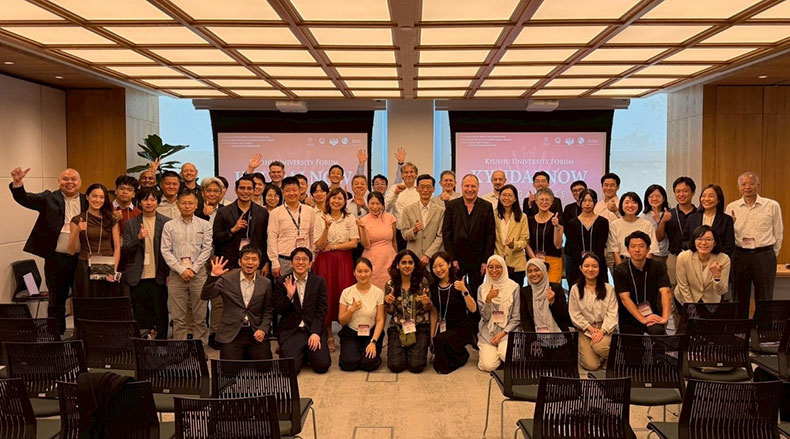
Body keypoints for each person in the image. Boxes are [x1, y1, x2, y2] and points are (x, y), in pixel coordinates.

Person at [9, 166, 86, 333]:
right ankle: (56, 337)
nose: (69, 182)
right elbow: (25, 199)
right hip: (56, 258)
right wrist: (18, 183)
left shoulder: (87, 200)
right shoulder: (48, 198)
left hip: (82, 259)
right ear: (58, 182)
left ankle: (82, 336)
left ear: (80, 182)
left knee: (82, 299)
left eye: (73, 179)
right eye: (65, 179)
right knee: (56, 300)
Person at [212, 175, 269, 348]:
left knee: (252, 299)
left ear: (254, 190)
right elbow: (216, 238)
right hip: (228, 262)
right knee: (222, 301)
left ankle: (251, 331)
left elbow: (265, 240)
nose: (245, 191)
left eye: (249, 188)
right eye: (242, 188)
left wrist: (265, 262)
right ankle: (217, 333)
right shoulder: (224, 212)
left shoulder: (262, 212)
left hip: (253, 262)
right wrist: (233, 230)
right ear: (236, 190)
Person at [725, 171, 783, 318]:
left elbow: (778, 232)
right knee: (739, 296)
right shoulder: (732, 207)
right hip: (740, 255)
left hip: (764, 254)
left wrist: (771, 254)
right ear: (738, 187)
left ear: (758, 185)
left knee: (764, 297)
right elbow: (728, 233)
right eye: (743, 184)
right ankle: (740, 328)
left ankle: (763, 328)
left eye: (751, 183)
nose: (747, 187)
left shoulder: (771, 205)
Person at [161, 189, 213, 344]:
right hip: (176, 275)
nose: (187, 206)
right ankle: (180, 349)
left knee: (200, 317)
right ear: (178, 205)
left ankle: (200, 349)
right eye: (183, 203)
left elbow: (207, 249)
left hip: (199, 274)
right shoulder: (169, 226)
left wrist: (194, 269)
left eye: (190, 203)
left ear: (196, 205)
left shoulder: (205, 225)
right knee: (178, 318)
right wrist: (181, 270)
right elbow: (165, 250)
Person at [202, 248, 273, 360]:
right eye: (246, 259)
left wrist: (263, 329)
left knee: (265, 366)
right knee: (229, 368)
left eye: (254, 259)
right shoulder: (227, 279)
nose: (250, 262)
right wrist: (213, 276)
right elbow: (206, 295)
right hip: (231, 332)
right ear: (240, 262)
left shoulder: (265, 283)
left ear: (259, 263)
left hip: (255, 331)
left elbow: (268, 309)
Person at [442, 174, 496, 319]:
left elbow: (490, 236)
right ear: (461, 187)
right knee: (457, 293)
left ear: (478, 188)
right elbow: (446, 234)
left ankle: (476, 324)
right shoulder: (452, 205)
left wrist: (485, 261)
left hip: (478, 261)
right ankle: (460, 323)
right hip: (457, 260)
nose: (470, 189)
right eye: (467, 186)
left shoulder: (486, 206)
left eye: (473, 186)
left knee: (476, 293)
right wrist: (452, 259)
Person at [313, 187, 359, 352]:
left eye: (340, 198)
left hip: (344, 260)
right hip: (325, 262)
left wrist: (333, 247)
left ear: (344, 201)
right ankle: (329, 335)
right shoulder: (320, 217)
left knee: (344, 293)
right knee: (327, 296)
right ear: (328, 200)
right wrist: (326, 227)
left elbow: (354, 243)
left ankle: (346, 334)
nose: (336, 201)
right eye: (333, 198)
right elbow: (319, 245)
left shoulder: (350, 218)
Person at [272, 247, 332, 374]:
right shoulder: (283, 281)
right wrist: (289, 296)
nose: (300, 262)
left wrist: (316, 332)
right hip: (292, 331)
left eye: (304, 259)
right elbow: (279, 310)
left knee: (322, 366)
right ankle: (298, 351)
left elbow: (321, 310)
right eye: (297, 259)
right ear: (291, 263)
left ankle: (305, 353)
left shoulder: (319, 282)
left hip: (312, 329)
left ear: (310, 264)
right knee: (289, 370)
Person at [122, 188, 170, 338]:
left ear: (158, 202)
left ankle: (161, 342)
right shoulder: (131, 224)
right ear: (139, 202)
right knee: (140, 313)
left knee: (161, 312)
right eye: (145, 199)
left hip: (159, 275)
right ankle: (143, 342)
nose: (149, 203)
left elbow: (170, 250)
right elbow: (126, 250)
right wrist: (137, 238)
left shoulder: (167, 223)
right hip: (138, 275)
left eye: (153, 199)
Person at [68, 183, 122, 297]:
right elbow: (71, 251)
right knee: (86, 301)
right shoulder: (77, 219)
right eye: (94, 196)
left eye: (102, 197)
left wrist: (113, 270)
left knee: (104, 302)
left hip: (106, 264)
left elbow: (117, 247)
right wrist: (77, 230)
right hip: (85, 264)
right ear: (87, 197)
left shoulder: (111, 219)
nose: (98, 200)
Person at [613, 231, 672, 335]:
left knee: (658, 331)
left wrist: (665, 318)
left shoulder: (658, 266)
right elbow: (624, 298)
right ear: (628, 250)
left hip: (652, 314)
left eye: (641, 246)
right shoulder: (620, 270)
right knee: (631, 343)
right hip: (629, 316)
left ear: (648, 249)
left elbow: (666, 292)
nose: (637, 250)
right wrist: (643, 319)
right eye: (633, 246)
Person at [428, 252, 477, 374]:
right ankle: (457, 353)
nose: (438, 270)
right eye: (434, 267)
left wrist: (464, 290)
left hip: (462, 327)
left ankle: (463, 355)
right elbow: (434, 312)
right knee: (437, 345)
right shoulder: (433, 287)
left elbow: (473, 309)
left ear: (449, 264)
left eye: (441, 265)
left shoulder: (458, 283)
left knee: (443, 363)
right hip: (445, 326)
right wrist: (431, 335)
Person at [568, 253, 618, 371]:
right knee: (591, 365)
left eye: (594, 266)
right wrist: (590, 329)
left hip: (605, 329)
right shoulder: (575, 289)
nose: (590, 269)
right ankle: (605, 358)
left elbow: (612, 313)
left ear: (600, 268)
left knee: (599, 347)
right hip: (585, 329)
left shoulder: (608, 289)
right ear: (581, 268)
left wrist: (602, 331)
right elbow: (575, 313)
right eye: (586, 266)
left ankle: (609, 357)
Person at [384, 250, 432, 373]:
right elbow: (391, 312)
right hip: (398, 326)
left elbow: (428, 309)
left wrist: (427, 303)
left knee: (416, 367)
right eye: (403, 262)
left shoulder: (422, 282)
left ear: (415, 265)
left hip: (419, 325)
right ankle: (404, 349)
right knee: (395, 366)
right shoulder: (390, 284)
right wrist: (388, 304)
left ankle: (410, 349)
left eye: (410, 262)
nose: (407, 266)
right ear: (397, 265)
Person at [338, 258, 386, 372]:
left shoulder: (378, 292)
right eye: (359, 271)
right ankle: (355, 351)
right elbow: (341, 321)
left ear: (371, 272)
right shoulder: (346, 292)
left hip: (371, 333)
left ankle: (367, 351)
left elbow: (380, 320)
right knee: (349, 364)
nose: (363, 275)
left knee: (369, 364)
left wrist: (373, 341)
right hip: (351, 333)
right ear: (354, 272)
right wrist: (351, 310)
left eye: (366, 271)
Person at [477, 255, 521, 372]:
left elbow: (516, 317)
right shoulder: (482, 288)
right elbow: (485, 317)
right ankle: (495, 353)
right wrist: (488, 300)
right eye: (490, 267)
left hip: (507, 331)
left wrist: (502, 334)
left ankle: (501, 352)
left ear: (504, 268)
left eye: (498, 267)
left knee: (507, 355)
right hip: (488, 331)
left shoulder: (513, 287)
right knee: (487, 366)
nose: (494, 270)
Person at [268, 177, 316, 278]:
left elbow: (312, 235)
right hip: (284, 260)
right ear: (282, 192)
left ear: (300, 191)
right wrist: (274, 262)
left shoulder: (309, 211)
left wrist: (313, 258)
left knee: (304, 287)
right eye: (288, 190)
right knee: (283, 287)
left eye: (294, 190)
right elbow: (272, 237)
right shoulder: (276, 213)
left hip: (304, 260)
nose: (291, 193)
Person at [675, 225, 731, 305]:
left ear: (715, 243)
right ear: (694, 241)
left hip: (711, 302)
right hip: (685, 299)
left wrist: (717, 277)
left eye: (708, 239)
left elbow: (722, 291)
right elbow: (683, 286)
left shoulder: (724, 259)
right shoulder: (683, 257)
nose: (704, 243)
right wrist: (691, 307)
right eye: (699, 239)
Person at [398, 174, 445, 268]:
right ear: (417, 189)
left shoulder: (440, 210)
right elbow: (404, 234)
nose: (425, 190)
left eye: (428, 187)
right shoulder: (408, 210)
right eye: (422, 187)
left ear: (433, 189)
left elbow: (440, 236)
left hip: (434, 259)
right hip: (413, 258)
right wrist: (413, 230)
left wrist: (428, 255)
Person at [565, 189, 609, 286]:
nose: (587, 204)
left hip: (598, 265)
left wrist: (593, 265)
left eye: (590, 201)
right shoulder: (572, 223)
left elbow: (601, 245)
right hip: (578, 265)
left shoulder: (603, 222)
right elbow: (574, 247)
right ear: (580, 202)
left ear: (595, 202)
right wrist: (583, 265)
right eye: (584, 200)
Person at [607, 192, 660, 266]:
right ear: (621, 205)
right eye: (627, 202)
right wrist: (621, 268)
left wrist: (643, 266)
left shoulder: (647, 224)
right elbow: (615, 250)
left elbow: (651, 249)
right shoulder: (614, 225)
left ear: (639, 205)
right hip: (622, 262)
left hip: (643, 263)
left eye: (634, 202)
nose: (630, 205)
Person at [358, 191, 397, 289]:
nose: (375, 207)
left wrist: (397, 258)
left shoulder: (390, 218)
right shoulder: (362, 220)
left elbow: (394, 240)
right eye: (372, 203)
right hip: (372, 259)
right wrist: (362, 228)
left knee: (391, 287)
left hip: (389, 258)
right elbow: (366, 245)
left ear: (382, 205)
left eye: (378, 203)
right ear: (368, 204)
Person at [519, 258, 570, 332]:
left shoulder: (555, 288)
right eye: (530, 271)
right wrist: (532, 337)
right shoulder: (525, 292)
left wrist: (552, 302)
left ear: (543, 270)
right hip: (535, 336)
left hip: (558, 334)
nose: (533, 274)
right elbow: (525, 319)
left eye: (537, 270)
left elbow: (564, 317)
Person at [664, 176, 697, 287]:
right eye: (678, 191)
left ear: (693, 192)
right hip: (674, 257)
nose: (681, 194)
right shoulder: (669, 214)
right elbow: (659, 237)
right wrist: (662, 222)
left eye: (685, 191)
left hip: (695, 257)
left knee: (694, 287)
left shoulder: (699, 214)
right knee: (673, 288)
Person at [526, 188, 564, 283]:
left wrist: (556, 227)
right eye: (541, 199)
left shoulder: (557, 219)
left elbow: (558, 245)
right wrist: (534, 260)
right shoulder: (529, 220)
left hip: (553, 261)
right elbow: (526, 243)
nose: (544, 202)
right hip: (535, 261)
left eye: (547, 200)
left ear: (551, 202)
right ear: (536, 201)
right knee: (536, 289)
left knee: (552, 289)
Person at [494, 184, 529, 286]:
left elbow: (524, 239)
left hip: (516, 263)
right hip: (498, 262)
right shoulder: (493, 214)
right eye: (504, 195)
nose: (506, 198)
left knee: (516, 292)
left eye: (510, 195)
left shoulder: (522, 217)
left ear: (515, 199)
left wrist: (514, 244)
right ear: (499, 197)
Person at [687, 184, 735, 256]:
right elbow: (684, 241)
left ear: (719, 199)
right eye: (703, 196)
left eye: (711, 196)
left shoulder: (726, 220)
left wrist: (711, 252)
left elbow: (729, 246)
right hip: (695, 257)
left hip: (718, 258)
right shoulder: (692, 218)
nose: (706, 199)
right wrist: (697, 250)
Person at [385, 162, 420, 250]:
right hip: (398, 233)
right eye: (406, 172)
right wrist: (395, 194)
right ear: (402, 175)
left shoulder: (420, 189)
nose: (409, 175)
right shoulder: (394, 188)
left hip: (417, 232)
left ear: (416, 174)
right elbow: (386, 207)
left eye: (411, 172)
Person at [595, 173, 621, 271]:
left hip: (616, 248)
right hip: (599, 248)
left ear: (617, 187)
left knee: (619, 276)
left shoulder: (623, 204)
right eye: (606, 185)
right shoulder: (597, 205)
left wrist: (616, 211)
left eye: (612, 185)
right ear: (602, 186)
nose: (608, 188)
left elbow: (626, 223)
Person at [641, 184, 672, 267]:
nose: (654, 199)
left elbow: (666, 235)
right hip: (647, 254)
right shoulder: (644, 216)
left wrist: (660, 221)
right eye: (651, 196)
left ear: (663, 198)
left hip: (665, 254)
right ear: (647, 199)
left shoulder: (669, 214)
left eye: (658, 196)